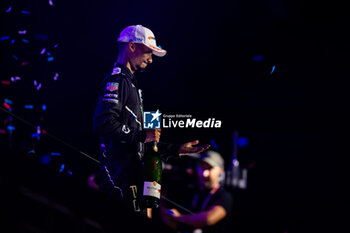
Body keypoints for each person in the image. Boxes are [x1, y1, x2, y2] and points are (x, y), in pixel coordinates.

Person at [92, 25, 210, 216]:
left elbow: (143, 144)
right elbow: (102, 124)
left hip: (133, 179)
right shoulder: (117, 80)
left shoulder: (132, 84)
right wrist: (142, 134)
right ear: (132, 46)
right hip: (119, 180)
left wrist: (176, 150)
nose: (151, 59)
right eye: (148, 52)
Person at [162, 151, 233, 233]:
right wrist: (162, 200)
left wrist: (179, 217)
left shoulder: (224, 196)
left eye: (210, 168)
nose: (204, 173)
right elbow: (174, 224)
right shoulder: (191, 192)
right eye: (202, 167)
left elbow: (208, 219)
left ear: (221, 171)